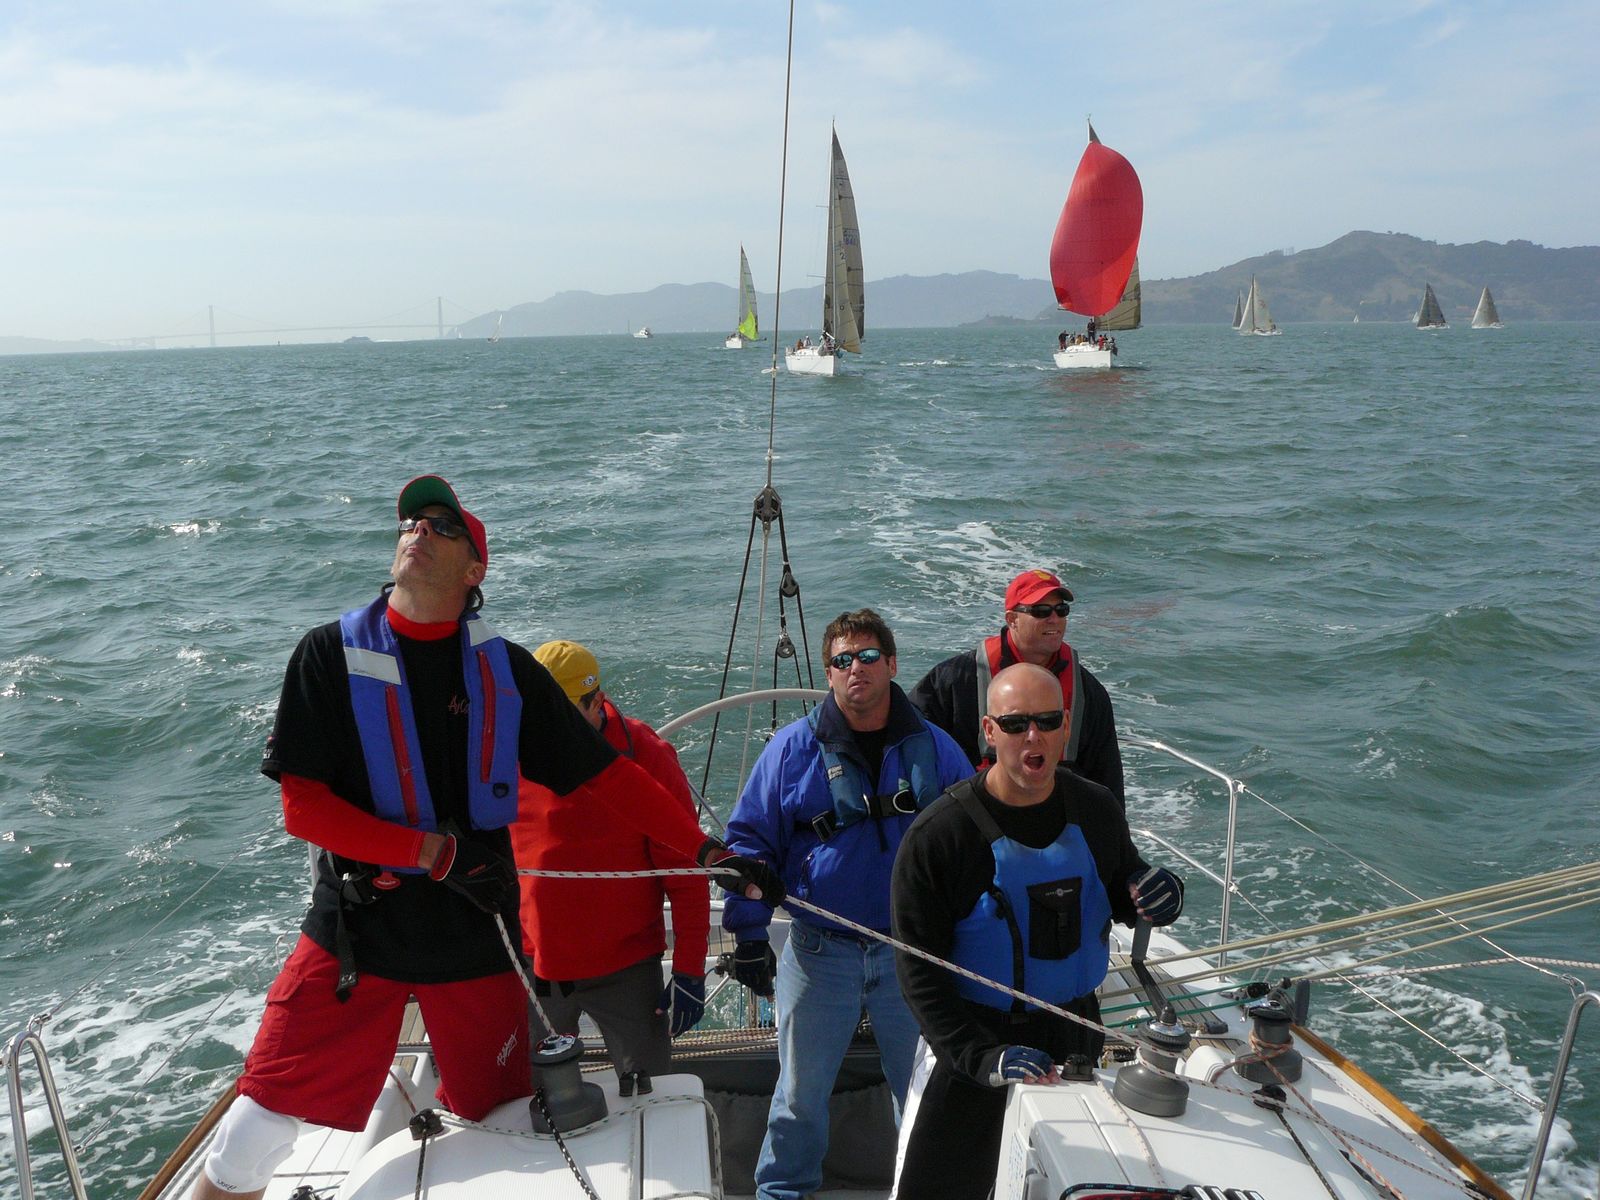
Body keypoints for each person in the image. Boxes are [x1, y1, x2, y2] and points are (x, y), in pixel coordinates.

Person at [193, 476, 781, 1200]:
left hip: (474, 942)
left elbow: (609, 778)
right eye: (412, 520)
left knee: (500, 1125)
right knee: (251, 1135)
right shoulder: (327, 656)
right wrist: (431, 853)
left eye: (442, 525)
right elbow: (303, 808)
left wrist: (708, 854)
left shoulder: (506, 674)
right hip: (356, 935)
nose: (419, 530)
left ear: (475, 570)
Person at [889, 663, 1184, 1200]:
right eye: (1016, 723)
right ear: (989, 730)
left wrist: (1159, 893)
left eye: (1048, 721)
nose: (1034, 736)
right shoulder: (939, 837)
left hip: (1076, 1037)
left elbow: (1125, 887)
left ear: (1065, 727)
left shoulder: (1095, 808)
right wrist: (979, 1057)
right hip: (973, 1045)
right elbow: (918, 974)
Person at [722, 608, 972, 1200]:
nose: (855, 668)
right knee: (799, 1096)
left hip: (910, 956)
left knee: (921, 1090)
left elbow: (973, 841)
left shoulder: (937, 749)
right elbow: (749, 844)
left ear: (892, 664)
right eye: (842, 659)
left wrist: (973, 938)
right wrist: (750, 936)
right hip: (818, 953)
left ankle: (923, 1189)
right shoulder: (791, 751)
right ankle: (783, 1191)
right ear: (829, 673)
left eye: (867, 656)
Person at [509, 639, 711, 1091]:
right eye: (539, 710)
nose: (548, 725)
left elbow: (685, 872)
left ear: (597, 700)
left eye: (563, 712)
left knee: (651, 1099)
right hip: (535, 967)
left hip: (627, 972)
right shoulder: (506, 751)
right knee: (529, 1099)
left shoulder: (646, 755)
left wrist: (689, 969)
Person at [908, 567, 1125, 809]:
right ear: (1012, 620)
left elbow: (1107, 777)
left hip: (1059, 816)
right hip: (975, 812)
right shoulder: (955, 679)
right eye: (1041, 611)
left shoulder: (1088, 692)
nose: (1054, 619)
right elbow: (910, 730)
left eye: (1061, 610)